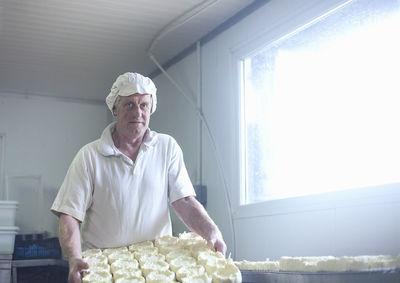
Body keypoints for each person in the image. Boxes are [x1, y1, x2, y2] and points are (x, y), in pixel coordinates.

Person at [51, 72, 226, 283]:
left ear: (151, 109)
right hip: (105, 269)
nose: (138, 112)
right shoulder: (89, 156)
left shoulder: (167, 147)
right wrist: (75, 258)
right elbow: (69, 214)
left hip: (158, 267)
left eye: (144, 105)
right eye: (129, 105)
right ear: (114, 108)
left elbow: (184, 201)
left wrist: (211, 232)